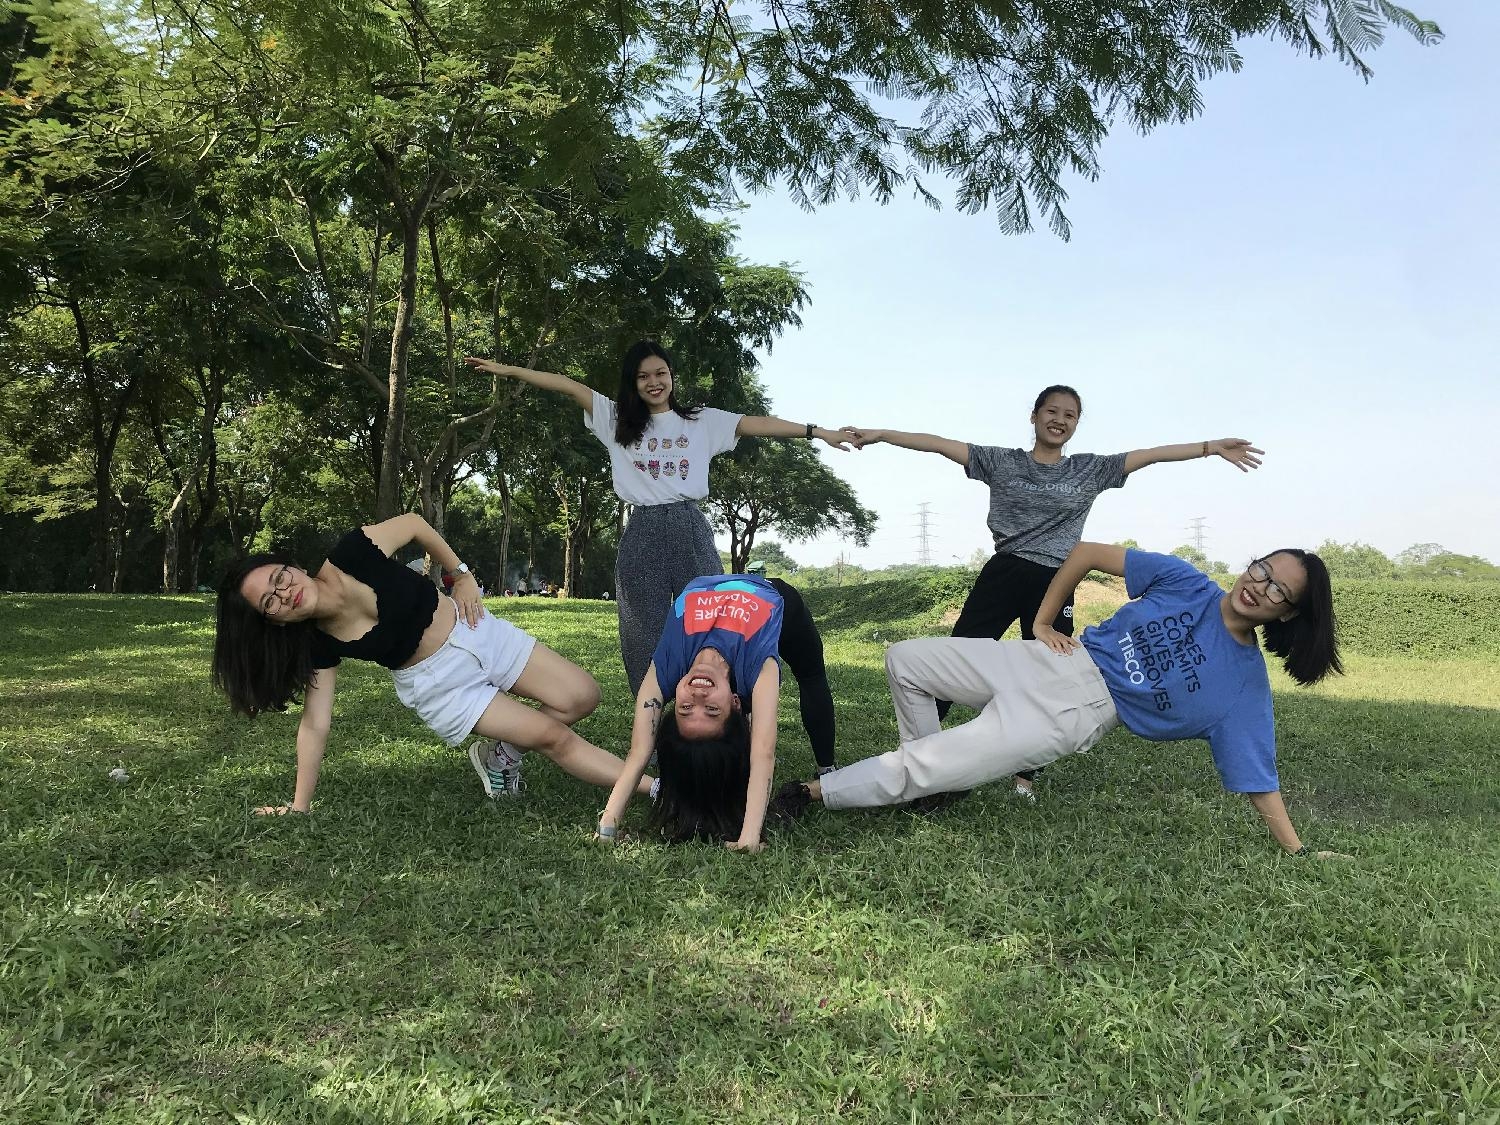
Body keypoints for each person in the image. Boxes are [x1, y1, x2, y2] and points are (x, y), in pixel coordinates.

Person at [772, 543, 1348, 858]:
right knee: (907, 659)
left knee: (921, 763)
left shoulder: (1243, 683)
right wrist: (1044, 622)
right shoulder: (1185, 581)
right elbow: (1086, 553)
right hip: (1051, 657)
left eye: (1278, 589)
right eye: (1262, 568)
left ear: (1289, 613)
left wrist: (1298, 852)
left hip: (1076, 711)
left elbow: (1258, 777)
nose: (1259, 585)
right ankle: (934, 785)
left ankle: (810, 793)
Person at [842, 387, 1262, 799]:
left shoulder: (1090, 469)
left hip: (1057, 580)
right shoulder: (1000, 461)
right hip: (1005, 572)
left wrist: (1210, 447)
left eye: (1070, 415)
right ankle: (917, 759)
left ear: (1076, 424)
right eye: (1052, 411)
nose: (1059, 420)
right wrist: (881, 435)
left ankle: (1025, 775)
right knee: (957, 652)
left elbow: (1149, 456)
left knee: (1053, 669)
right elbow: (938, 444)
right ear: (1035, 415)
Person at [464, 343, 851, 694]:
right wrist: (509, 370)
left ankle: (717, 714)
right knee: (642, 636)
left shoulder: (701, 421)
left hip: (689, 526)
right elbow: (566, 384)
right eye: (643, 376)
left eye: (661, 373)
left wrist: (818, 432)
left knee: (709, 627)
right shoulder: (615, 419)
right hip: (642, 530)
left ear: (672, 377)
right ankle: (651, 731)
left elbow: (759, 424)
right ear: (633, 383)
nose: (654, 382)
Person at [211, 513, 653, 813]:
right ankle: (658, 791)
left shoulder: (352, 554)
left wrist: (459, 573)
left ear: (292, 567)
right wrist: (298, 805)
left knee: (582, 696)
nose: (284, 592)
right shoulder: (317, 642)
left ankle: (499, 758)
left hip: (474, 628)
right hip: (442, 687)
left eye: (279, 578)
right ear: (272, 620)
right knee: (553, 737)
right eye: (270, 602)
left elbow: (413, 524)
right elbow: (315, 723)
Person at [595, 573, 787, 851]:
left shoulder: (668, 667)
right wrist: (748, 839)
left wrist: (608, 825)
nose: (697, 695)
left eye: (685, 708)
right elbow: (763, 752)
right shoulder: (755, 668)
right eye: (711, 709)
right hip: (771, 591)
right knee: (811, 672)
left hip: (709, 578)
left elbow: (639, 751)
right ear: (735, 703)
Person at [746, 559, 838, 775]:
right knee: (811, 678)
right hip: (780, 595)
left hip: (752, 610)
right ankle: (827, 769)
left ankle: (748, 761)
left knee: (737, 687)